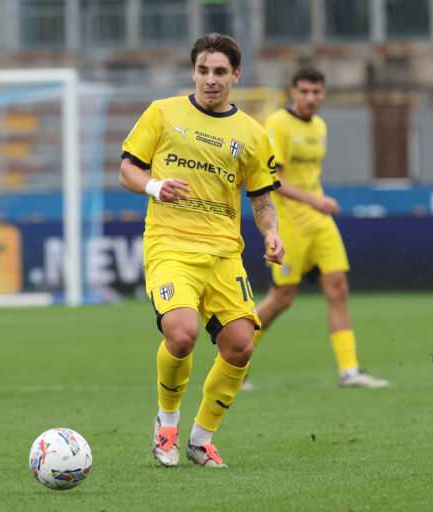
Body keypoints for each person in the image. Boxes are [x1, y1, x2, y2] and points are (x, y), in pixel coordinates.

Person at [120, 33, 284, 468]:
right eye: (203, 71)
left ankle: (200, 439)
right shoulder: (163, 113)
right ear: (193, 72)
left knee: (240, 346)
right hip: (170, 244)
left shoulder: (252, 133)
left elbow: (263, 198)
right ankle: (167, 423)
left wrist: (272, 233)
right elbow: (127, 171)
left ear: (236, 76)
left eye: (219, 72)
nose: (210, 80)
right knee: (182, 333)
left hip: (224, 253)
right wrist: (156, 186)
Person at [245, 67, 389, 389]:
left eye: (316, 92)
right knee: (282, 299)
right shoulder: (278, 124)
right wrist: (314, 201)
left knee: (338, 288)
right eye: (304, 91)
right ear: (292, 92)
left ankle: (349, 371)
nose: (310, 98)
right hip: (290, 224)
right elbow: (274, 180)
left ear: (324, 94)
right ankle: (234, 356)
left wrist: (316, 204)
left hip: (319, 221)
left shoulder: (320, 126)